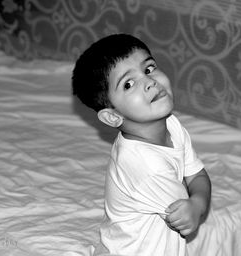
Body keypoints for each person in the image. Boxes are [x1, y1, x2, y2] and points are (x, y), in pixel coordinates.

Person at [72, 34, 211, 256]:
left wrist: (198, 204)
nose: (149, 82)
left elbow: (197, 175)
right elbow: (185, 209)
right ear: (112, 117)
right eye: (128, 84)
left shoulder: (171, 125)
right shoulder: (146, 165)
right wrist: (195, 204)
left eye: (148, 69)